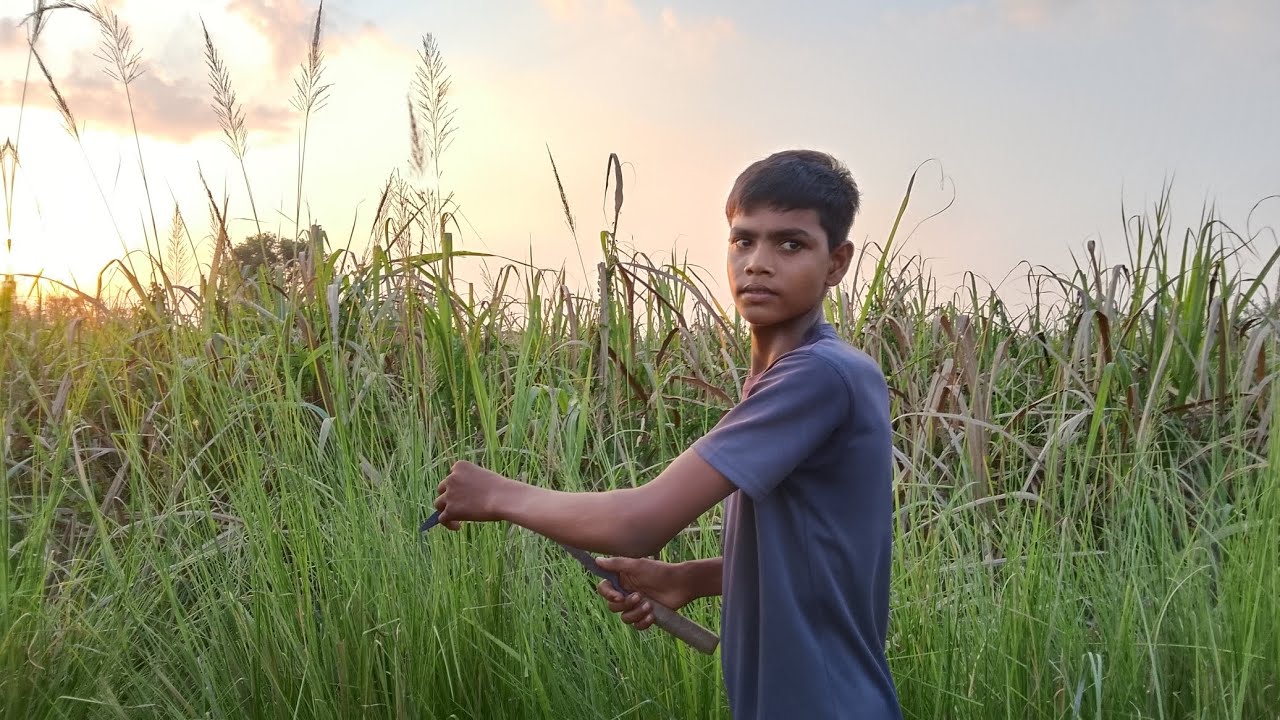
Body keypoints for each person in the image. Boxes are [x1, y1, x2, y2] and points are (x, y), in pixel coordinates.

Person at [431, 149, 902, 719]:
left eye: (790, 244)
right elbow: (823, 562)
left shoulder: (818, 376)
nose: (757, 262)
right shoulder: (798, 376)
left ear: (837, 262)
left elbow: (639, 522)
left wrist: (497, 496)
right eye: (742, 240)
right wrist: (688, 579)